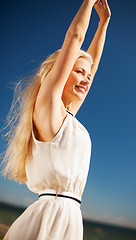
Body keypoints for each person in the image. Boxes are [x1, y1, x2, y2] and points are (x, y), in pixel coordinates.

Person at [3, 0, 111, 239]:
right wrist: (88, 2)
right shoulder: (48, 106)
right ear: (60, 72)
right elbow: (75, 38)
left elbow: (91, 62)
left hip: (72, 219)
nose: (86, 79)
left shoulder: (68, 117)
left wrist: (104, 23)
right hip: (49, 217)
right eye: (78, 71)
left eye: (88, 75)